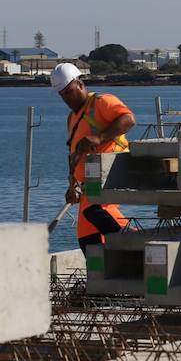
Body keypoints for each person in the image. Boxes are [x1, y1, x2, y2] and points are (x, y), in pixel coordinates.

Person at [51, 62, 136, 251]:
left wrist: (100, 137)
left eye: (69, 91)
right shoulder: (72, 118)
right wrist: (72, 184)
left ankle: (139, 244)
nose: (67, 98)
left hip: (110, 173)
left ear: (80, 84)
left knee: (97, 211)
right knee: (87, 238)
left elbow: (128, 120)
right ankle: (103, 277)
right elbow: (73, 153)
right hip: (87, 183)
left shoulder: (101, 102)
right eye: (62, 94)